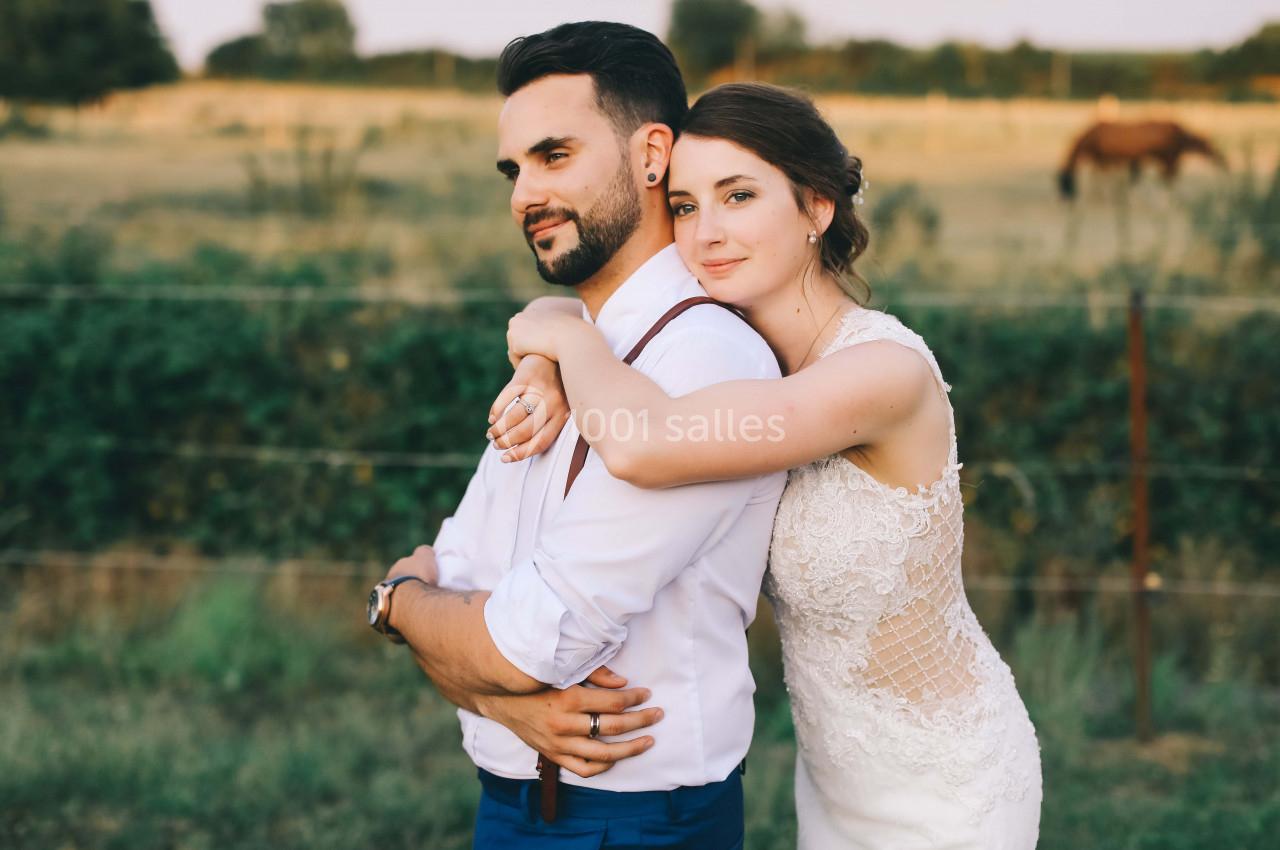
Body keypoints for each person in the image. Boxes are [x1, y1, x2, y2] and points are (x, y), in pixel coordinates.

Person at [492, 82, 1043, 849]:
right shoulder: (739, 361)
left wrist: (561, 337)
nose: (707, 233)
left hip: (946, 780)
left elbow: (641, 442)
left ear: (816, 208)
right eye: (684, 206)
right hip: (831, 777)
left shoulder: (881, 375)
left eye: (739, 195)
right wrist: (552, 346)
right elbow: (605, 341)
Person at [370, 22, 785, 849]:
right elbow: (460, 564)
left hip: (631, 822)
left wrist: (398, 605)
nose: (523, 194)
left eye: (554, 157)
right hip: (512, 805)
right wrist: (485, 686)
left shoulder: (702, 360)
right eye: (513, 170)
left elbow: (527, 644)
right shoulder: (556, 353)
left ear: (652, 155)